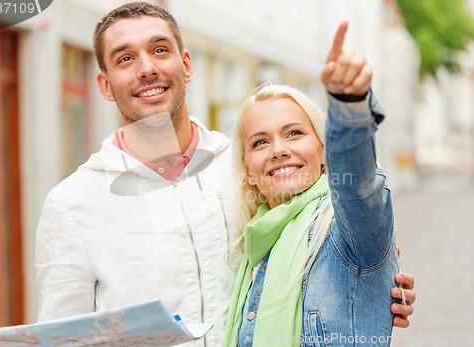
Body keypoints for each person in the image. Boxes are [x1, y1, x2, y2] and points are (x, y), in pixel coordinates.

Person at [34, 2, 415, 346]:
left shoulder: (249, 164)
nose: (147, 68)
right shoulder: (73, 204)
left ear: (186, 64)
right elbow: (62, 337)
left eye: (159, 50)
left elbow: (344, 215)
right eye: (125, 58)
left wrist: (373, 282)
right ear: (104, 84)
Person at [224, 22, 405, 346]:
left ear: (324, 152)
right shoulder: (252, 249)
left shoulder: (345, 227)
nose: (279, 150)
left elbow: (358, 187)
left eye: (294, 133)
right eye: (260, 142)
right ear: (248, 169)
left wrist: (348, 106)